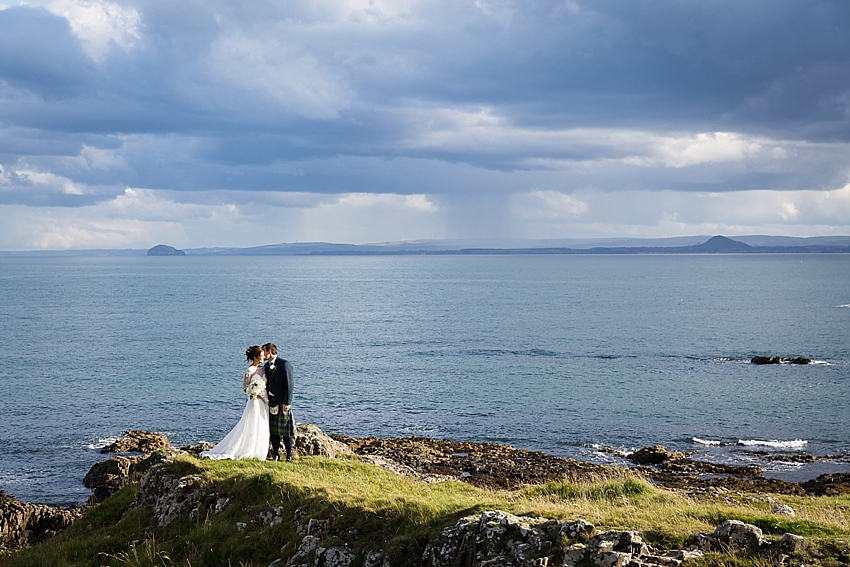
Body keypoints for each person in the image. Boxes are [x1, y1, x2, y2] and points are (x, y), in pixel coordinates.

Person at [201, 346, 270, 460]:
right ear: (255, 357)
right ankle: (246, 449)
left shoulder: (263, 369)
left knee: (262, 424)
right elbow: (245, 388)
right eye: (261, 356)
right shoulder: (250, 371)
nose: (263, 358)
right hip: (255, 402)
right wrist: (255, 393)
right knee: (251, 424)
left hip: (264, 402)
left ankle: (259, 450)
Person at [263, 343, 294, 462]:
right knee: (274, 431)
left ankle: (289, 455)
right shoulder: (266, 366)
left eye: (264, 351)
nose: (263, 354)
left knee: (286, 431)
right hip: (271, 402)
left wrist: (287, 402)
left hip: (282, 402)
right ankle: (275, 455)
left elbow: (289, 384)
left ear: (269, 351)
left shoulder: (284, 364)